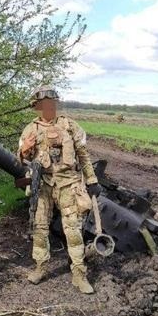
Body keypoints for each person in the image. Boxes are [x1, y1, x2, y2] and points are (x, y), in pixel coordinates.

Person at [18, 85, 102, 294]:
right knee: (39, 228)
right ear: (36, 107)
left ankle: (79, 275)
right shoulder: (30, 129)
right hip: (43, 184)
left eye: (50, 103)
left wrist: (91, 180)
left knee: (73, 230)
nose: (47, 107)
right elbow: (20, 159)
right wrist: (25, 149)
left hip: (68, 184)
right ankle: (40, 267)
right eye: (42, 104)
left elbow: (82, 155)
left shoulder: (70, 126)